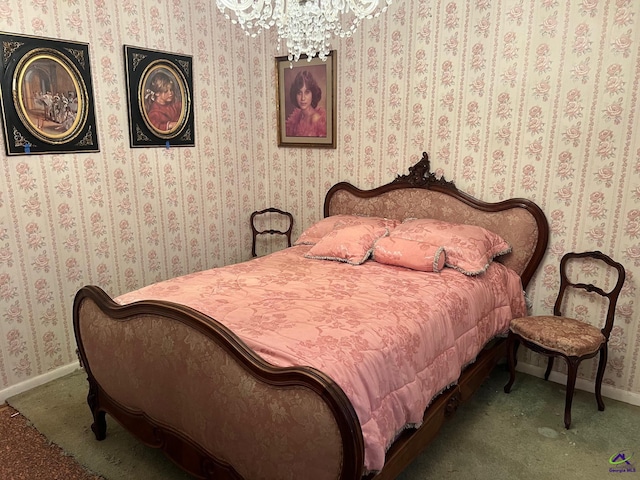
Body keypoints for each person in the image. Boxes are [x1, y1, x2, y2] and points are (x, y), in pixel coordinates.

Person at [285, 70, 327, 137]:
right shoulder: (297, 118)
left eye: (307, 92)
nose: (303, 98)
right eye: (299, 93)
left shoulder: (316, 119)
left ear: (313, 94)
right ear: (295, 94)